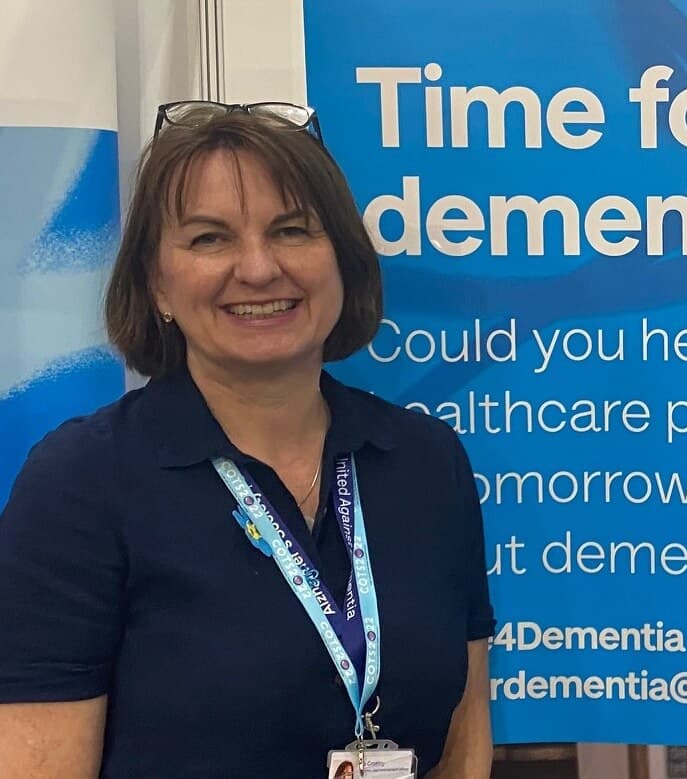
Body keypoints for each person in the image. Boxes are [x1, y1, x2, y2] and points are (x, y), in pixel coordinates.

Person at [0, 102, 495, 778]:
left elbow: (463, 735)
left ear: (341, 260)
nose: (259, 268)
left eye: (291, 230)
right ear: (157, 284)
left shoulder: (426, 462)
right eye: (210, 238)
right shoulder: (82, 484)